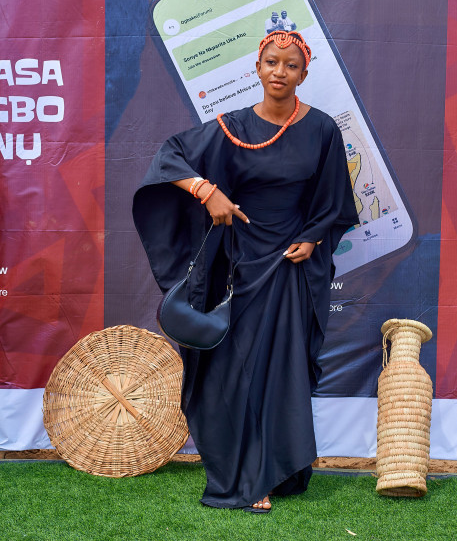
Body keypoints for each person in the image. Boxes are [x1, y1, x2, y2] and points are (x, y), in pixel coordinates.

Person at [133, 31, 359, 513]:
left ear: (303, 72)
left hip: (291, 268)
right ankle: (242, 475)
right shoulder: (231, 125)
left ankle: (276, 469)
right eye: (272, 62)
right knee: (232, 373)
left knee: (280, 372)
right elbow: (168, 157)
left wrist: (314, 238)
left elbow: (336, 200)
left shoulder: (322, 129)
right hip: (237, 266)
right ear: (257, 67)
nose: (280, 71)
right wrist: (205, 190)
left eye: (291, 65)